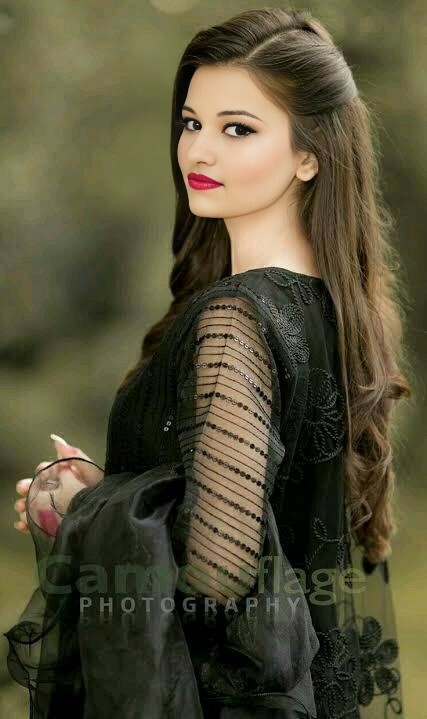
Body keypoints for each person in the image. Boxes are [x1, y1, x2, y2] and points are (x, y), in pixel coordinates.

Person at [7, 7, 412, 719]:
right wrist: (115, 491)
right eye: (192, 122)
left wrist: (81, 510)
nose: (199, 150)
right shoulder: (333, 311)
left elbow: (218, 572)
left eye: (238, 129)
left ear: (310, 154)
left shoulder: (236, 318)